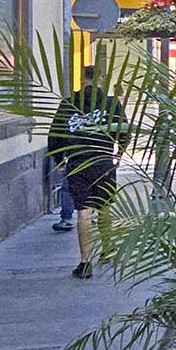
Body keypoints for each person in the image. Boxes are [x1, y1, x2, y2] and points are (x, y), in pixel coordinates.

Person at [48, 65, 128, 279]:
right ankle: (108, 247)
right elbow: (124, 130)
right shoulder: (111, 104)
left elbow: (54, 135)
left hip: (77, 163)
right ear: (101, 78)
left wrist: (60, 161)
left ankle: (85, 262)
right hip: (103, 162)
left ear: (82, 79)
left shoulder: (68, 103)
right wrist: (119, 154)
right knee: (103, 206)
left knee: (83, 211)